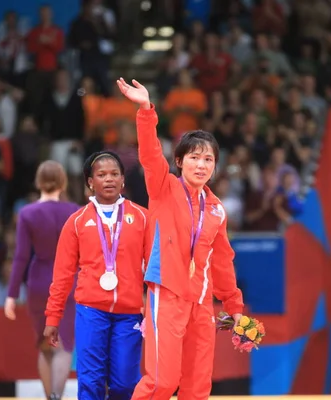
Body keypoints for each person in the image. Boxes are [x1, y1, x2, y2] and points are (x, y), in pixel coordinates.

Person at [116, 78, 244, 399]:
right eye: (194, 158)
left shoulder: (216, 209)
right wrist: (146, 110)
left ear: (215, 167)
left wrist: (234, 307)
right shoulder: (164, 188)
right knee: (162, 381)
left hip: (202, 305)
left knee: (197, 387)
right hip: (167, 295)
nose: (201, 165)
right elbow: (149, 154)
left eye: (208, 160)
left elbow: (223, 261)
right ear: (180, 161)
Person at [44, 151, 148, 400]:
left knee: (125, 384)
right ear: (90, 181)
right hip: (90, 311)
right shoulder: (76, 222)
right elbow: (62, 274)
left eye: (114, 174)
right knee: (90, 381)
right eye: (101, 175)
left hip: (129, 312)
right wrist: (53, 317)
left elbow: (157, 268)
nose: (109, 179)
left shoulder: (143, 217)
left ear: (123, 179)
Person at [5, 160, 80, 400]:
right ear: (63, 182)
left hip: (38, 283)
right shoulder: (74, 211)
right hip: (68, 281)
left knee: (45, 345)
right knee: (64, 345)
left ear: (38, 182)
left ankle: (50, 398)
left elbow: (20, 257)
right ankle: (57, 395)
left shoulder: (27, 213)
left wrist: (11, 294)